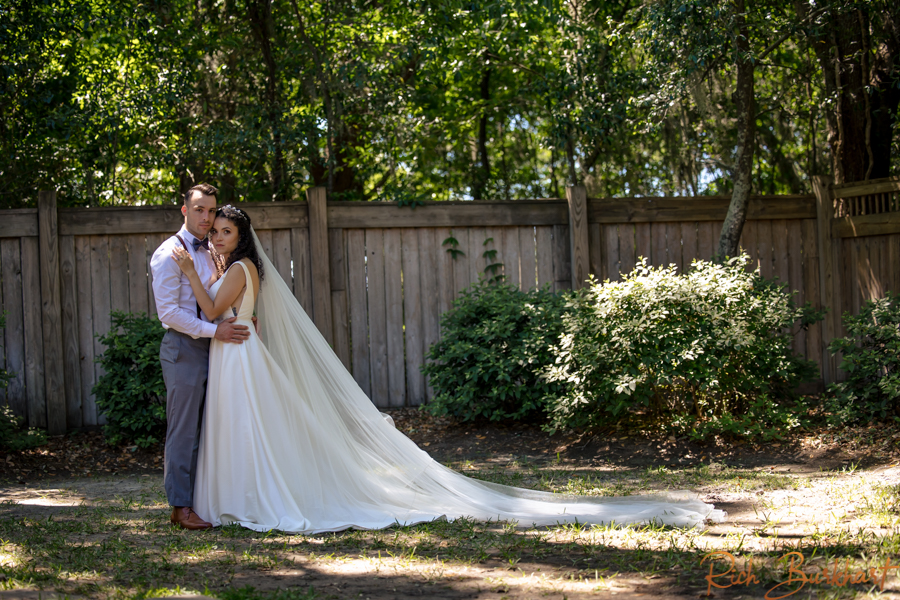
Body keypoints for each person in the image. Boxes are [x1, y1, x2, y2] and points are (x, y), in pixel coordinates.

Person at [171, 205, 726, 533]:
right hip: (236, 352)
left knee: (246, 429)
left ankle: (249, 500)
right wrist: (210, 273)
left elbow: (214, 310)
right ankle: (239, 498)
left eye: (224, 231)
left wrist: (191, 272)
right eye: (213, 231)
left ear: (241, 236)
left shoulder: (239, 268)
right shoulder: (240, 266)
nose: (216, 237)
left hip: (237, 354)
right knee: (243, 430)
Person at [150, 184, 251, 531]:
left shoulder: (212, 250)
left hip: (217, 348)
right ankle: (180, 507)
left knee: (213, 427)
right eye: (199, 210)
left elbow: (216, 297)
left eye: (211, 210)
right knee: (184, 430)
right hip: (183, 349)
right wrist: (215, 331)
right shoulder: (168, 254)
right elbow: (169, 313)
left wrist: (240, 316)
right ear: (184, 210)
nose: (206, 217)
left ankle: (208, 500)